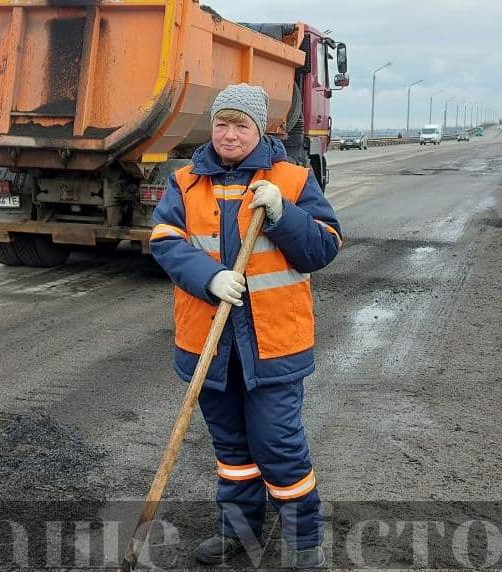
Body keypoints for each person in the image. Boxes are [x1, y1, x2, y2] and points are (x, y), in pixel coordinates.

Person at [149, 84, 342, 569]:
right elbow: (165, 241)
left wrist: (284, 214)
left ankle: (303, 541)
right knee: (233, 450)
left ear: (258, 129)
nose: (229, 134)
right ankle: (238, 531)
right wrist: (208, 276)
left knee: (276, 443)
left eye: (240, 125)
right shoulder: (185, 182)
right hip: (209, 345)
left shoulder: (293, 180)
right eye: (222, 123)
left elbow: (323, 248)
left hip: (273, 345)